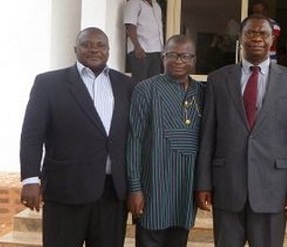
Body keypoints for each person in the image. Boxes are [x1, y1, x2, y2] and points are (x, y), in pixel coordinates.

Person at [195, 14, 287, 247]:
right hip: (227, 186)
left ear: (272, 40)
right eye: (251, 33)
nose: (257, 38)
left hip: (273, 188)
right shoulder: (217, 80)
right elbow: (207, 136)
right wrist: (203, 183)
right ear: (241, 38)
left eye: (263, 34)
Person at [20, 27, 133, 247]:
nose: (94, 49)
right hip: (66, 189)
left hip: (112, 191)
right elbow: (31, 135)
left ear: (109, 50)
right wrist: (30, 178)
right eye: (87, 44)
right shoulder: (49, 83)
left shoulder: (125, 84)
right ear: (75, 49)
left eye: (101, 45)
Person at [126, 34, 205, 247]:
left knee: (179, 240)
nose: (179, 60)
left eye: (185, 56)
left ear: (194, 60)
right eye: (172, 55)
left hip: (185, 188)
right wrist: (135, 187)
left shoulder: (202, 92)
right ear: (163, 57)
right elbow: (135, 139)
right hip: (153, 186)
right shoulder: (146, 89)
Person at [124, 0, 164, 82]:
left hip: (156, 51)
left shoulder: (156, 5)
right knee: (140, 83)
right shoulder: (134, 2)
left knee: (153, 84)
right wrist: (137, 46)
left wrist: (161, 51)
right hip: (141, 50)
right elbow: (130, 25)